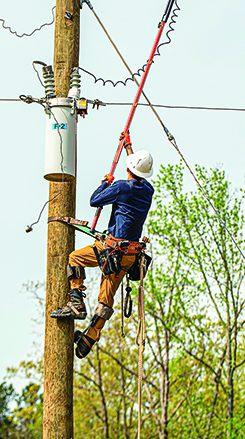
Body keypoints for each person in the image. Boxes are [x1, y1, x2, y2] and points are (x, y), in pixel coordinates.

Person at [50, 133, 155, 358]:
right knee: (105, 300)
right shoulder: (148, 191)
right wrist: (129, 148)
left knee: (74, 258)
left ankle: (76, 300)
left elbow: (94, 200)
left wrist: (104, 183)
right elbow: (137, 173)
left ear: (129, 169)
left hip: (110, 251)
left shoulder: (120, 187)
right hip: (128, 257)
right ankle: (89, 338)